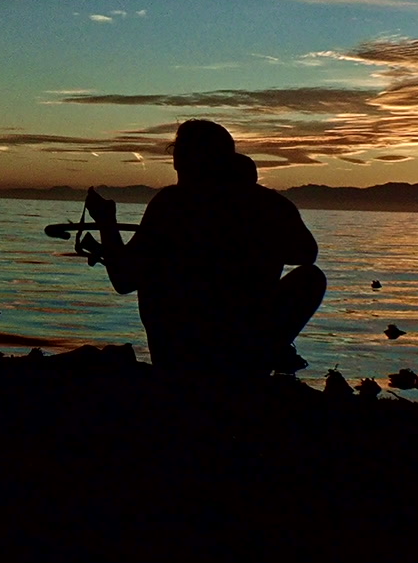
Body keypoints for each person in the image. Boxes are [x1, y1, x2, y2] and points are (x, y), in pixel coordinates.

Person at [76, 120, 324, 374]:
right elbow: (307, 254)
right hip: (244, 349)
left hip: (178, 355)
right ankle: (265, 355)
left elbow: (125, 279)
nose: (176, 161)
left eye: (179, 152)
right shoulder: (268, 203)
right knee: (311, 278)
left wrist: (107, 222)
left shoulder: (171, 204)